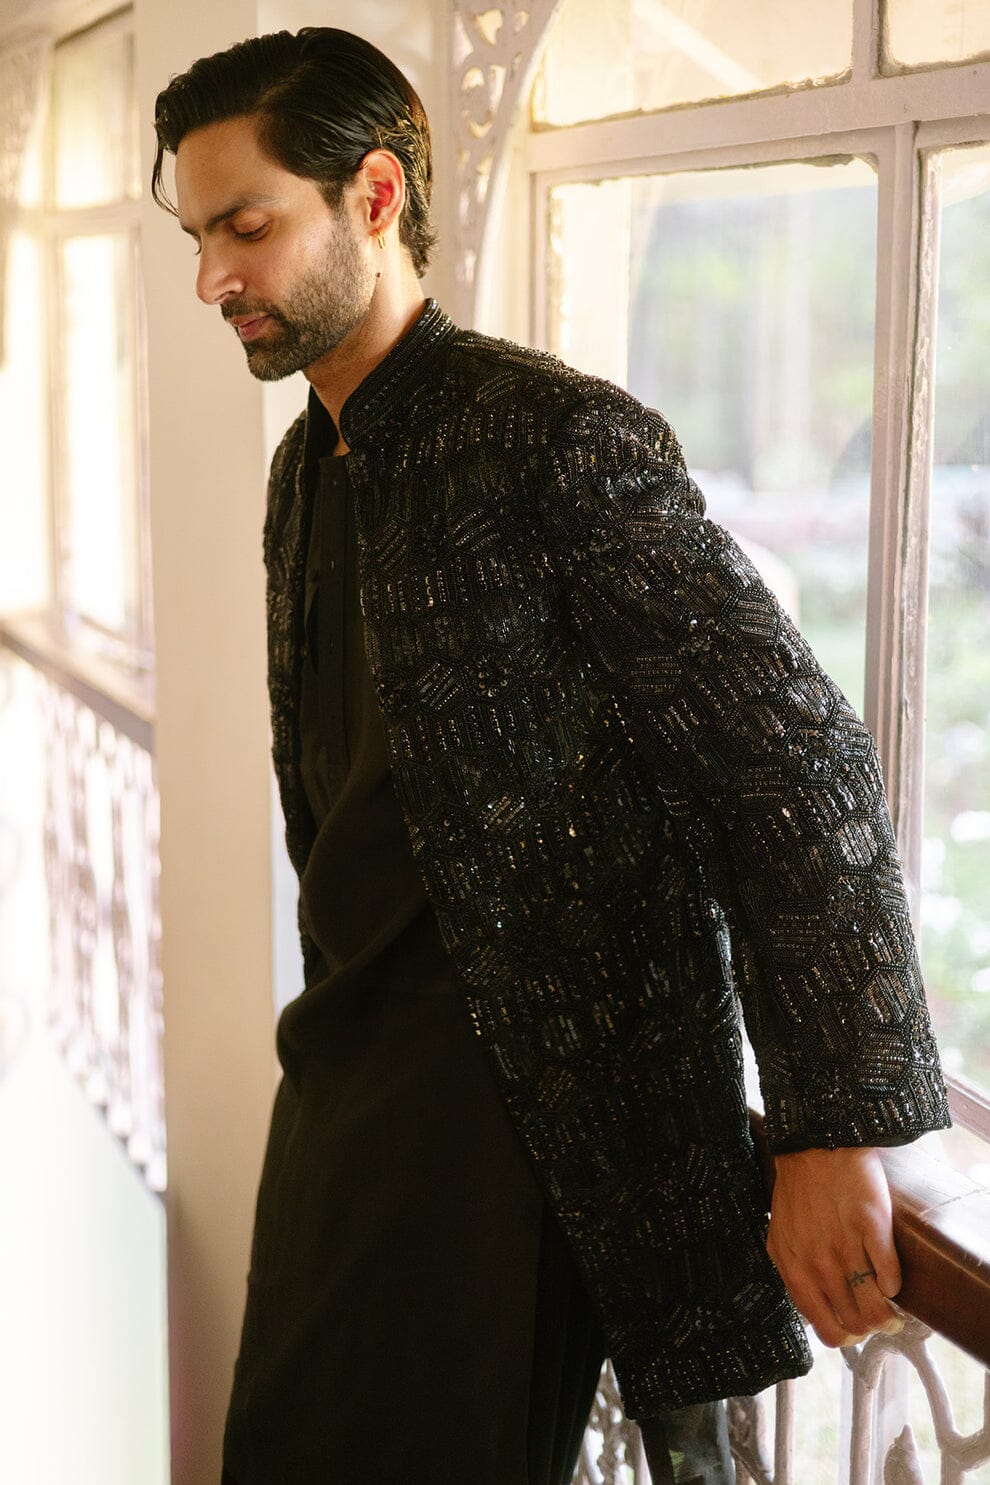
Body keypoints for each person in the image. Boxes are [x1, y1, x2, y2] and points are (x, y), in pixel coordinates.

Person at [152, 28, 950, 1485]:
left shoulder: (551, 440)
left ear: (375, 197)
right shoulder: (304, 466)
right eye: (198, 236)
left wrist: (835, 1124)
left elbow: (793, 767)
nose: (212, 277)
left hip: (531, 1145)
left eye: (246, 228)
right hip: (347, 1095)